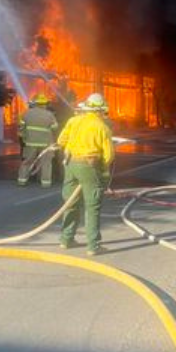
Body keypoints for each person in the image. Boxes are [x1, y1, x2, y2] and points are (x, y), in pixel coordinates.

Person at [57, 93, 115, 255]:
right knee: (92, 206)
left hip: (70, 164)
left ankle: (66, 239)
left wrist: (71, 148)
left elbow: (61, 140)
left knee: (70, 202)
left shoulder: (73, 121)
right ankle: (93, 246)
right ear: (100, 110)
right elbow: (109, 155)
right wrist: (103, 172)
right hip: (89, 166)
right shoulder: (102, 127)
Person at [17, 94, 59, 187]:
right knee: (46, 163)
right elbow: (55, 127)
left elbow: (21, 126)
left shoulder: (26, 113)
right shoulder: (49, 114)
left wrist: (23, 137)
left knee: (27, 161)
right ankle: (45, 183)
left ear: (35, 103)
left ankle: (22, 180)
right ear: (45, 104)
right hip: (46, 144)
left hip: (30, 142)